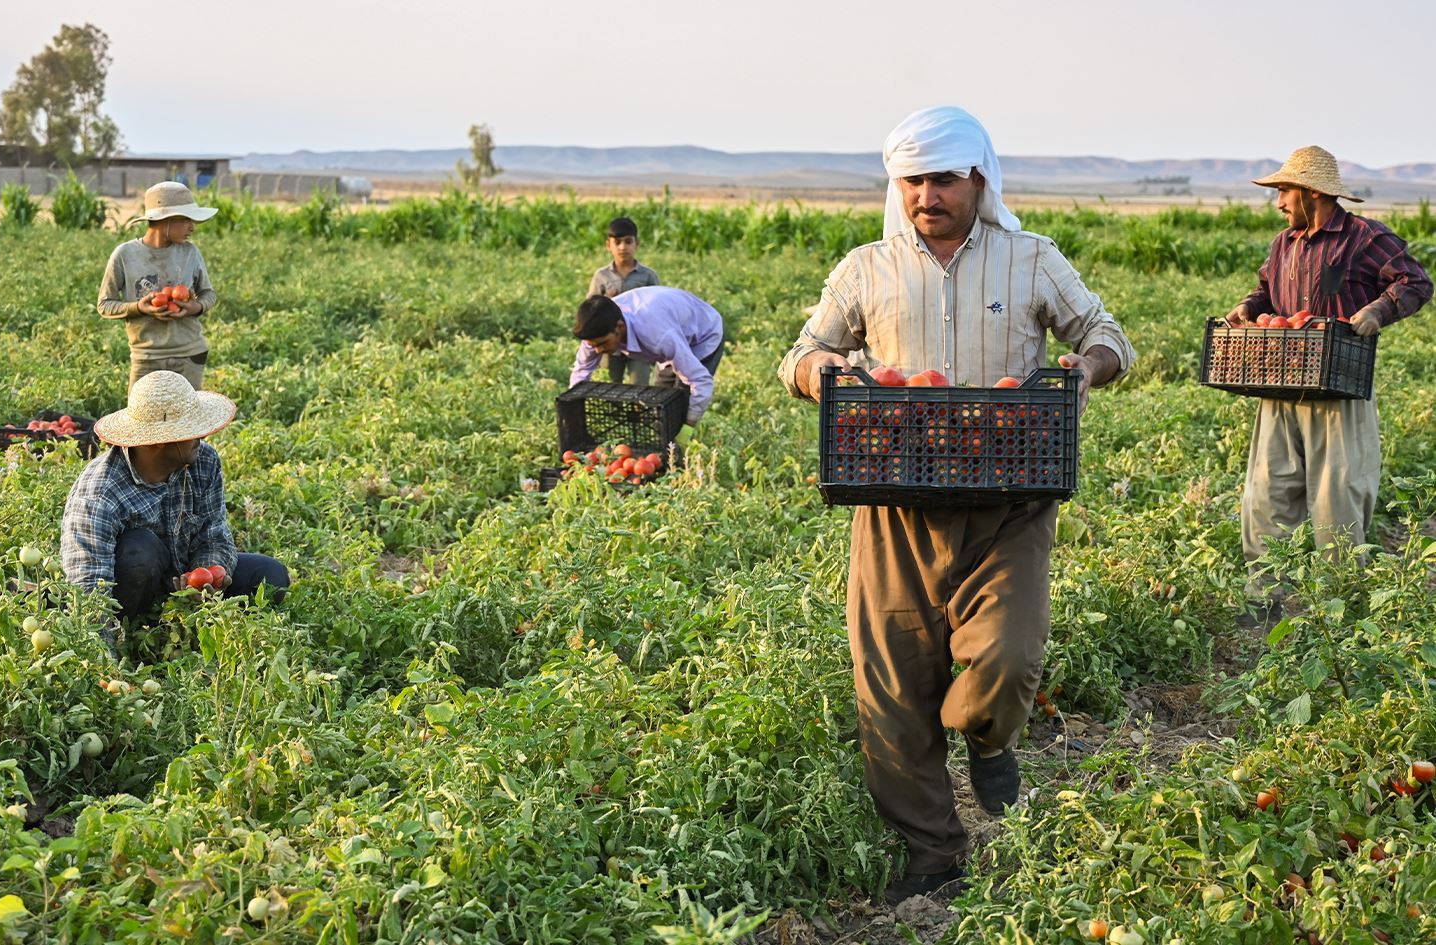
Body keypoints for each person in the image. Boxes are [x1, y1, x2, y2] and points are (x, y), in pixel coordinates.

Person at [777, 106, 1136, 904]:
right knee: (892, 692)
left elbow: (1108, 333)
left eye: (942, 179)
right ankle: (935, 854)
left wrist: (1086, 368)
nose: (926, 195)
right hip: (895, 506)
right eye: (912, 180)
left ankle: (988, 735)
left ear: (979, 180)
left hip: (1008, 496)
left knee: (1005, 659)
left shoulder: (1032, 259)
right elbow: (799, 353)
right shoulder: (865, 268)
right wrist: (823, 370)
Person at [1225, 145, 1431, 594]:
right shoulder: (1284, 244)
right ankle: (1266, 602)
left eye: (1284, 191)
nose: (1279, 202)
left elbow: (1414, 280)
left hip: (1339, 388)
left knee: (1337, 500)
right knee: (1265, 495)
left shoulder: (1365, 237)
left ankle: (1342, 609)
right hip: (1279, 384)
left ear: (1311, 192)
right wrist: (1246, 308)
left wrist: (1378, 310)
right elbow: (1265, 292)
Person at [61, 372, 290, 647]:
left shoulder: (204, 461)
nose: (202, 436)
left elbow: (214, 535)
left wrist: (208, 575)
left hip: (180, 580)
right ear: (160, 440)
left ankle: (186, 630)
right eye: (190, 431)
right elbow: (89, 589)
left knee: (269, 575)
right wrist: (105, 668)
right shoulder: (100, 493)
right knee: (140, 550)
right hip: (130, 592)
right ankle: (132, 637)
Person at [97, 181, 220, 391]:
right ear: (166, 220)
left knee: (187, 422)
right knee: (141, 422)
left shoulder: (190, 252)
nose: (192, 227)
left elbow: (208, 294)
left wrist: (196, 307)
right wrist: (139, 308)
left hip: (190, 354)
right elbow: (105, 305)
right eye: (186, 220)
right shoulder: (125, 255)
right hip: (147, 358)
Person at [570, 286, 724, 426]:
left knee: (682, 399)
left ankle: (678, 449)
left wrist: (688, 425)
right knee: (661, 399)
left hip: (703, 332)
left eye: (602, 344)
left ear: (620, 327)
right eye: (593, 346)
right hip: (670, 325)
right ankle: (663, 440)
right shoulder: (594, 330)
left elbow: (699, 381)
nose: (597, 351)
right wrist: (573, 411)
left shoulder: (658, 336)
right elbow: (581, 371)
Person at [586, 217, 662, 386]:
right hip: (609, 344)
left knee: (640, 386)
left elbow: (658, 309)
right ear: (608, 245)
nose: (623, 247)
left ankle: (637, 413)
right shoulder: (602, 276)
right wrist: (607, 303)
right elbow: (590, 310)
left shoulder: (647, 275)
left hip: (640, 342)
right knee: (609, 386)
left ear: (637, 244)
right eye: (617, 242)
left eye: (628, 242)